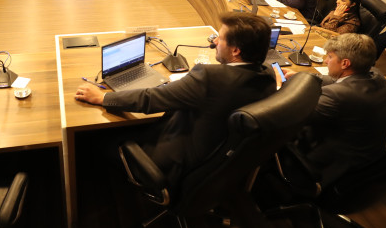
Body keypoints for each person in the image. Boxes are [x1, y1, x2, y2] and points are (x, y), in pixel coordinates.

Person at [74, 12, 276, 187]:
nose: (214, 41)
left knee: (96, 139)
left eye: (220, 38)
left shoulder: (209, 78)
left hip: (177, 164)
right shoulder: (268, 74)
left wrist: (103, 97)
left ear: (235, 50)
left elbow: (151, 99)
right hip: (222, 166)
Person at [283, 33, 386, 187]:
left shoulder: (337, 95)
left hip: (340, 168)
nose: (326, 61)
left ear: (345, 63)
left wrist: (283, 87)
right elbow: (336, 80)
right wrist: (302, 77)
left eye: (330, 57)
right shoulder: (377, 75)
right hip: (372, 159)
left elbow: (294, 117)